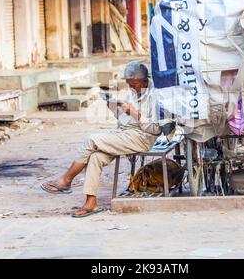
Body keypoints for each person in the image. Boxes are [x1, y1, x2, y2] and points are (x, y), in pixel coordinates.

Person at [41, 61, 162, 217]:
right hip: (125, 134)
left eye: (135, 85)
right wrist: (113, 107)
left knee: (92, 140)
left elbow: (156, 130)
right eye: (129, 85)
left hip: (142, 138)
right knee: (95, 157)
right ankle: (91, 202)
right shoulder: (132, 92)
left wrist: (135, 113)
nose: (132, 88)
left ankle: (66, 180)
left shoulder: (156, 96)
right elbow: (124, 121)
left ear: (145, 81)